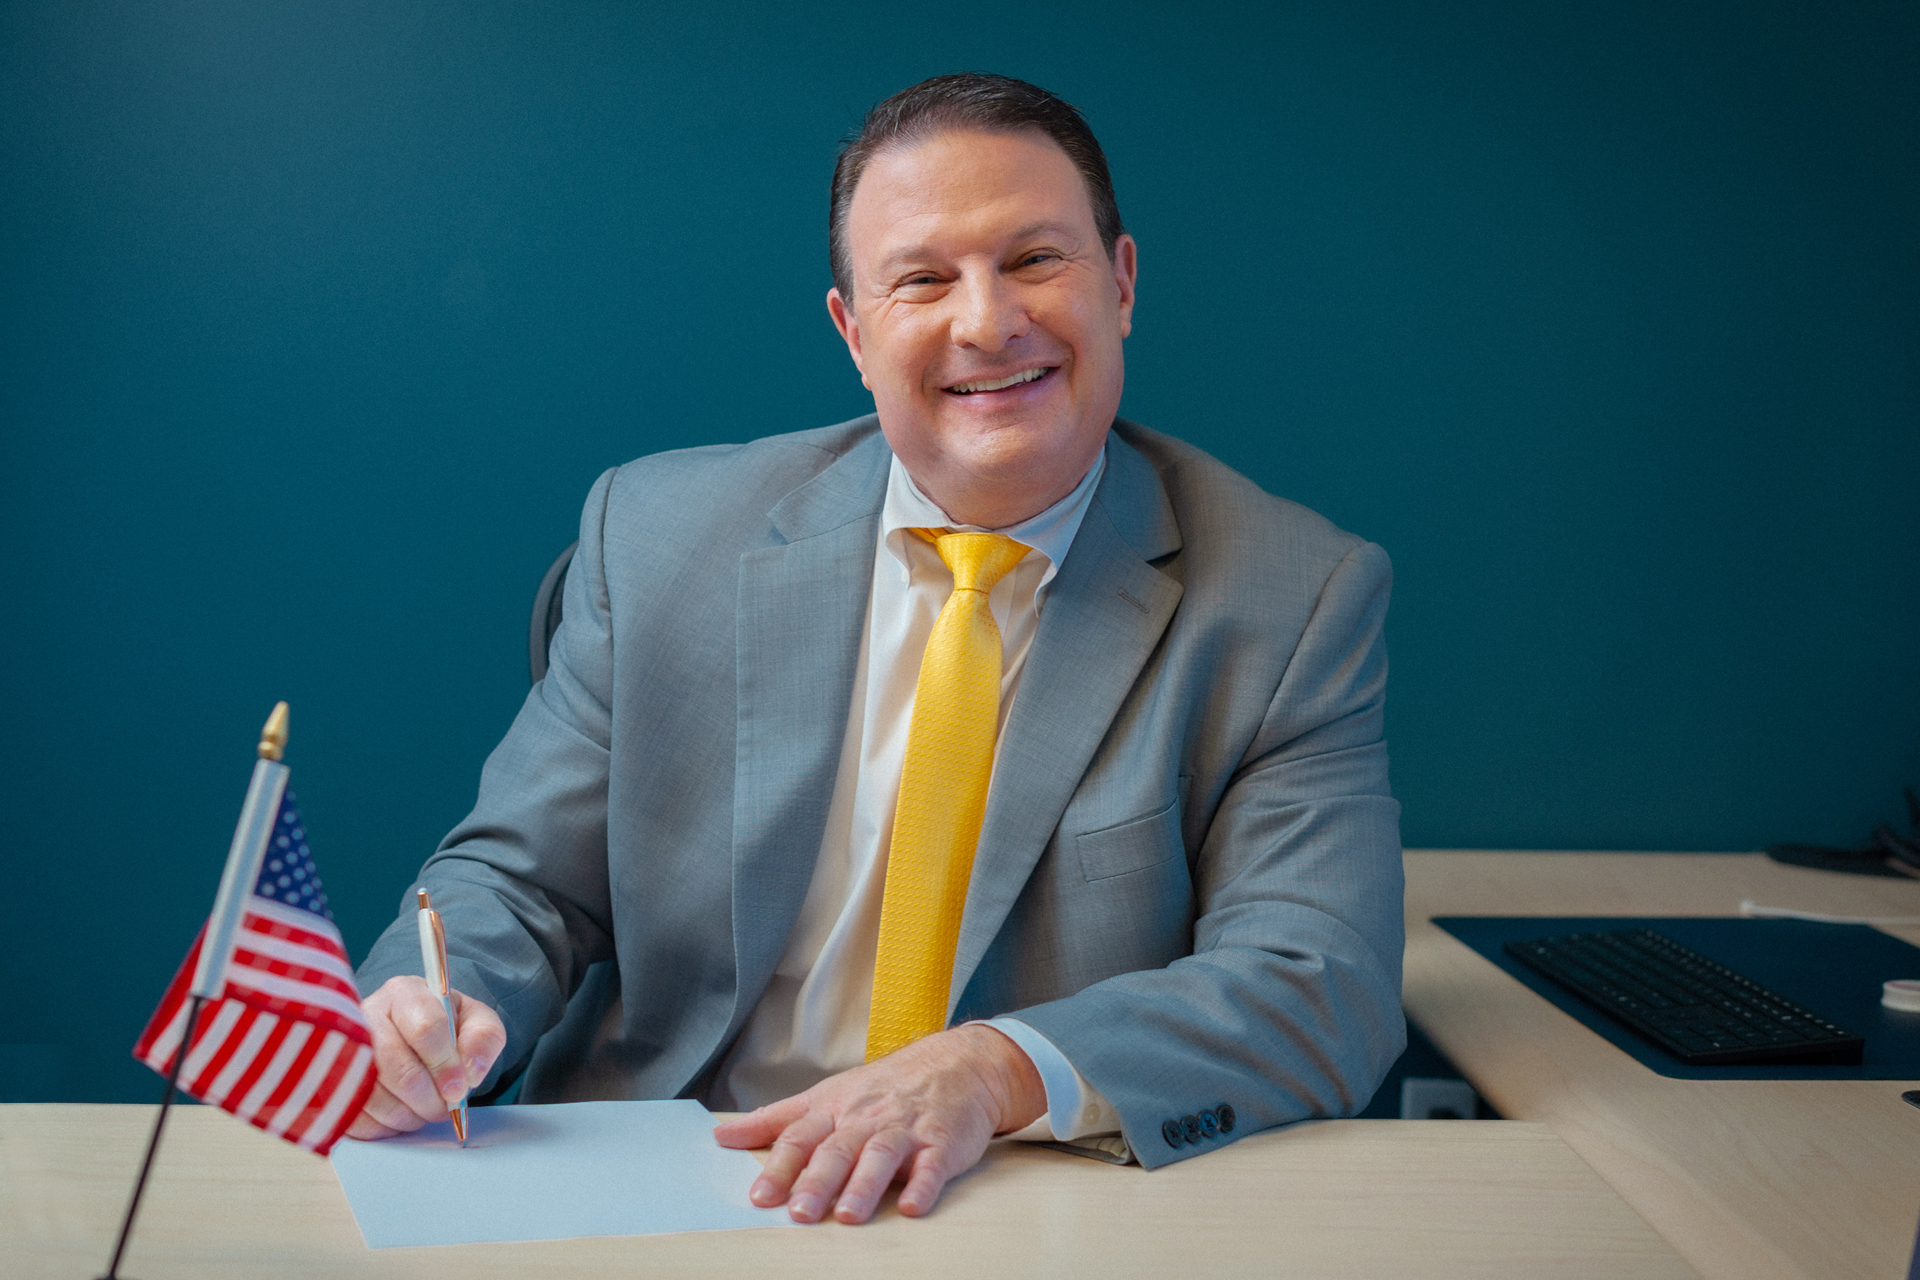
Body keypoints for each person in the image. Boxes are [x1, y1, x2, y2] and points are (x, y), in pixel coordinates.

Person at [350, 72, 1404, 1225]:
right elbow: (516, 881)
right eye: (924, 279)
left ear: (1124, 284)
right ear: (855, 331)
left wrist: (993, 1066)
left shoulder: (1290, 597)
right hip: (665, 1181)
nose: (988, 320)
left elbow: (1320, 985)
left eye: (1036, 259)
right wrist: (428, 1001)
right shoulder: (659, 538)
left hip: (1008, 1201)